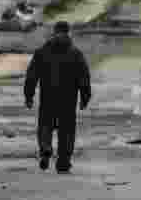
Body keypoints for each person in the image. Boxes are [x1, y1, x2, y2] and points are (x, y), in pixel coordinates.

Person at [24, 21, 92, 173]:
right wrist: (85, 97)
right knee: (66, 131)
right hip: (68, 100)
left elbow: (32, 76)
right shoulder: (75, 53)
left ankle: (45, 148)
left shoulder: (42, 52)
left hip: (48, 98)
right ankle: (63, 162)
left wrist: (29, 95)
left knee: (45, 126)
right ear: (68, 32)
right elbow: (84, 77)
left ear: (54, 32)